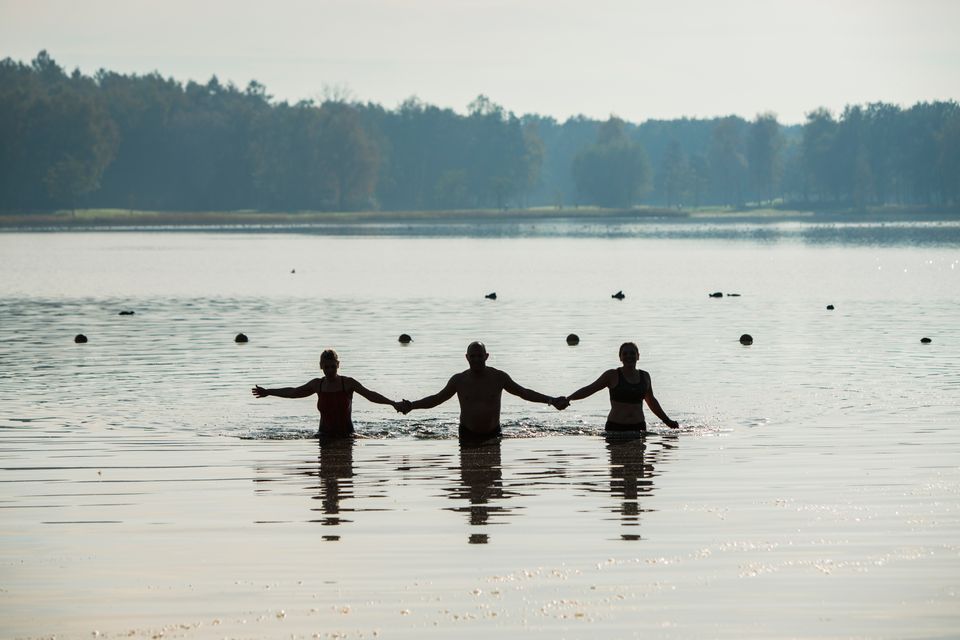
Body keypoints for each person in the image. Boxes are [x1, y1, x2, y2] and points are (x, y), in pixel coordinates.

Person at [398, 341, 568, 441]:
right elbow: (437, 399)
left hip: (494, 434)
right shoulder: (459, 380)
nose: (476, 359)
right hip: (467, 435)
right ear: (467, 357)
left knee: (493, 480)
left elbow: (523, 392)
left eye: (480, 356)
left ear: (486, 356)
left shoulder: (499, 377)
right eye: (473, 356)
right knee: (468, 480)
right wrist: (412, 405)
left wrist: (551, 400)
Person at [252, 349, 400, 438]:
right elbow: (293, 392)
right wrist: (269, 392)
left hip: (348, 435)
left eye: (333, 367)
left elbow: (371, 395)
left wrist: (393, 403)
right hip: (323, 436)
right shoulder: (318, 384)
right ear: (321, 366)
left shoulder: (348, 383)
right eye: (326, 367)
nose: (330, 370)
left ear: (338, 365)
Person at [565, 341, 679, 432]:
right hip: (615, 428)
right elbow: (590, 389)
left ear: (638, 356)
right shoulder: (612, 375)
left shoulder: (645, 376)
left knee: (639, 462)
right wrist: (568, 398)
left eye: (632, 353)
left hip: (639, 428)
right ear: (620, 357)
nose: (629, 356)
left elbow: (651, 401)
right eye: (625, 354)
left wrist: (667, 421)